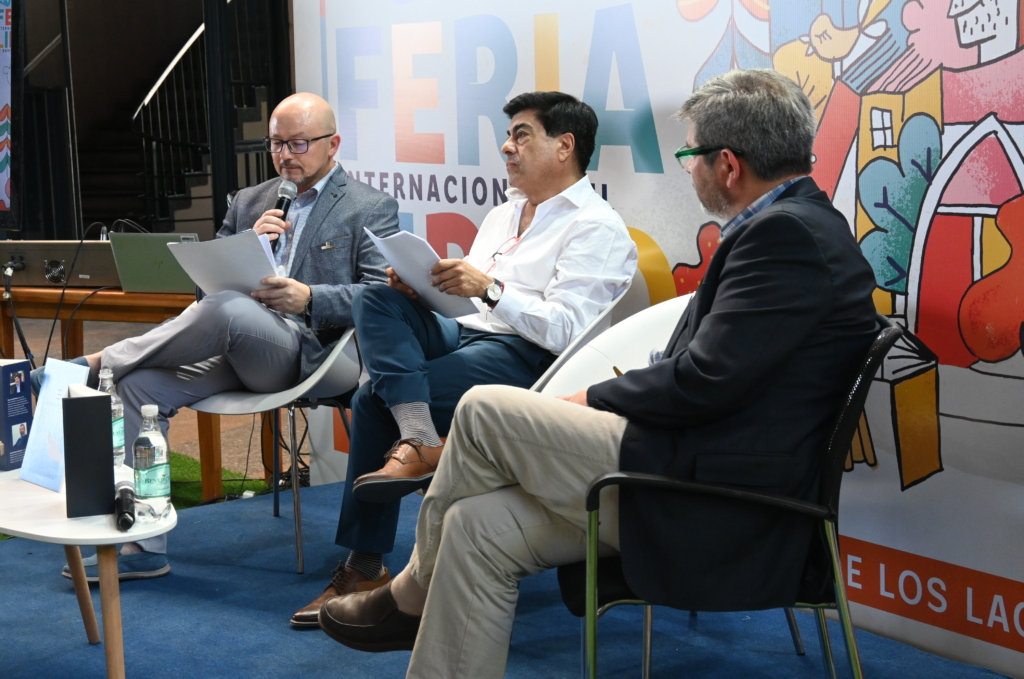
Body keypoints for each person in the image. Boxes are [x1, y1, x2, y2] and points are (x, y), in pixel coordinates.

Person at [315, 69, 879, 678]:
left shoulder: (786, 236)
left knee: (482, 408)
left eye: (689, 154)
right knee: (476, 525)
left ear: (728, 165)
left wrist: (589, 398)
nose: (687, 169)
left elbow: (703, 381)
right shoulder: (791, 227)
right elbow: (714, 370)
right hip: (688, 458)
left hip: (713, 491)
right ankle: (413, 589)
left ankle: (408, 592)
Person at [289, 92, 638, 627]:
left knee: (371, 398)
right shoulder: (503, 212)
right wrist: (421, 290)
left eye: (522, 135)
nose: (507, 147)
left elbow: (566, 330)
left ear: (565, 146)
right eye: (509, 135)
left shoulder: (597, 226)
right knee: (375, 298)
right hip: (462, 332)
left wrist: (491, 289)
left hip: (529, 357)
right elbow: (468, 303)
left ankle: (365, 564)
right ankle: (421, 441)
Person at [39, 92, 399, 581]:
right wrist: (250, 244)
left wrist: (310, 297)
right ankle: (144, 545)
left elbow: (382, 295)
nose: (285, 156)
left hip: (313, 355)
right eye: (276, 144)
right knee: (137, 388)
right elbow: (205, 289)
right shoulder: (250, 201)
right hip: (236, 345)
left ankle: (96, 364)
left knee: (228, 310)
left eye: (298, 143)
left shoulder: (369, 206)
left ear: (332, 144)